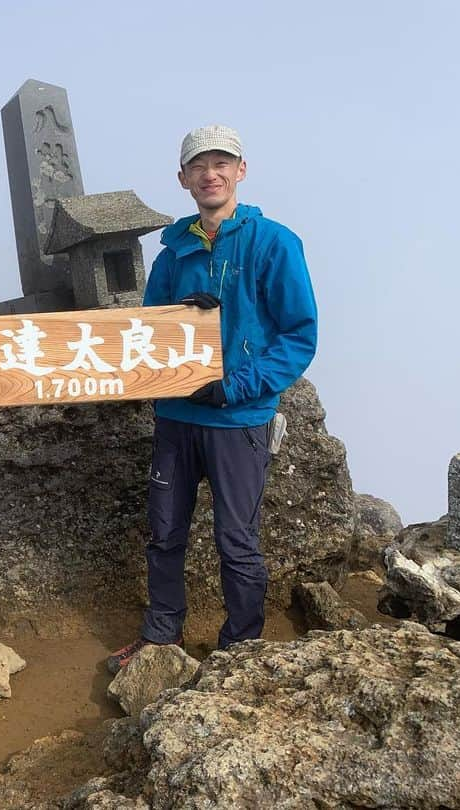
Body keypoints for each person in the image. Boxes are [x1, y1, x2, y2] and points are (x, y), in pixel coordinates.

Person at [106, 125, 317, 673]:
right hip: (177, 416)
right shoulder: (173, 251)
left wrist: (236, 385)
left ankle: (240, 651)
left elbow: (300, 335)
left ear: (241, 171)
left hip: (241, 417)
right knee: (164, 531)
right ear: (183, 179)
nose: (210, 174)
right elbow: (148, 332)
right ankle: (161, 636)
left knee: (236, 539)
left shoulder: (274, 242)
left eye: (222, 163)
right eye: (199, 166)